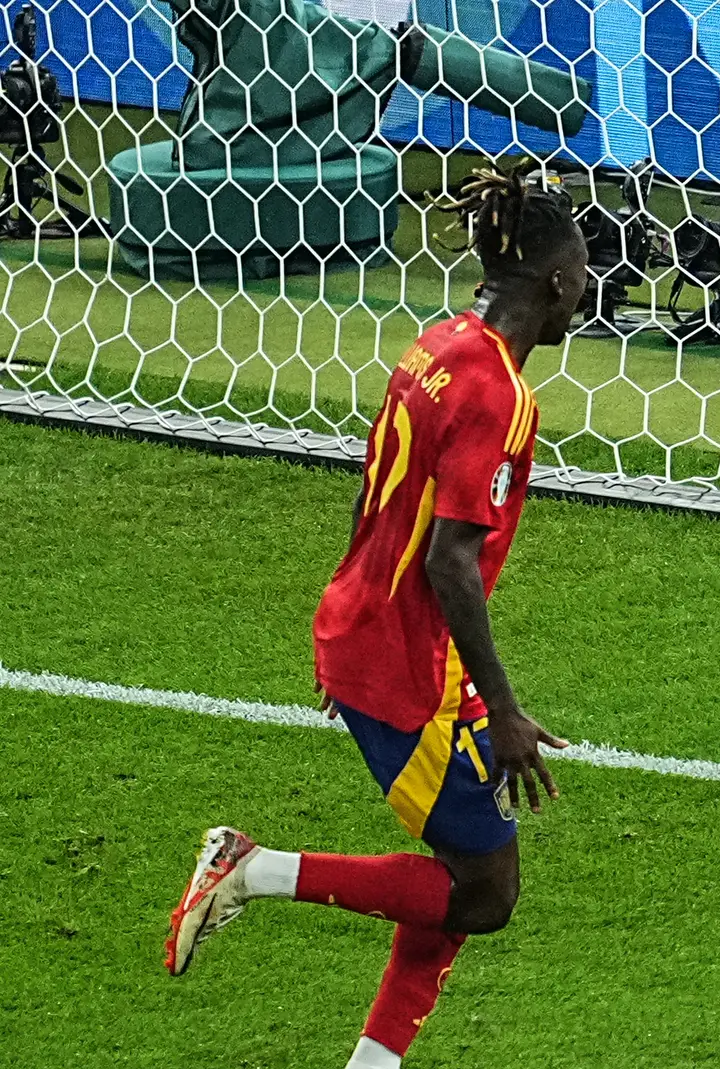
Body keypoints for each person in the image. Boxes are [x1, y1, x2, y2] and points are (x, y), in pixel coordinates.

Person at [164, 161, 590, 1064]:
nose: (585, 296)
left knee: (463, 872)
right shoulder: (501, 396)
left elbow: (380, 496)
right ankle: (251, 868)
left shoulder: (433, 348)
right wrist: (503, 708)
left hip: (371, 633)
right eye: (583, 278)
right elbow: (451, 560)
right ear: (555, 281)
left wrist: (350, 615)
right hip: (412, 670)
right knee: (485, 892)